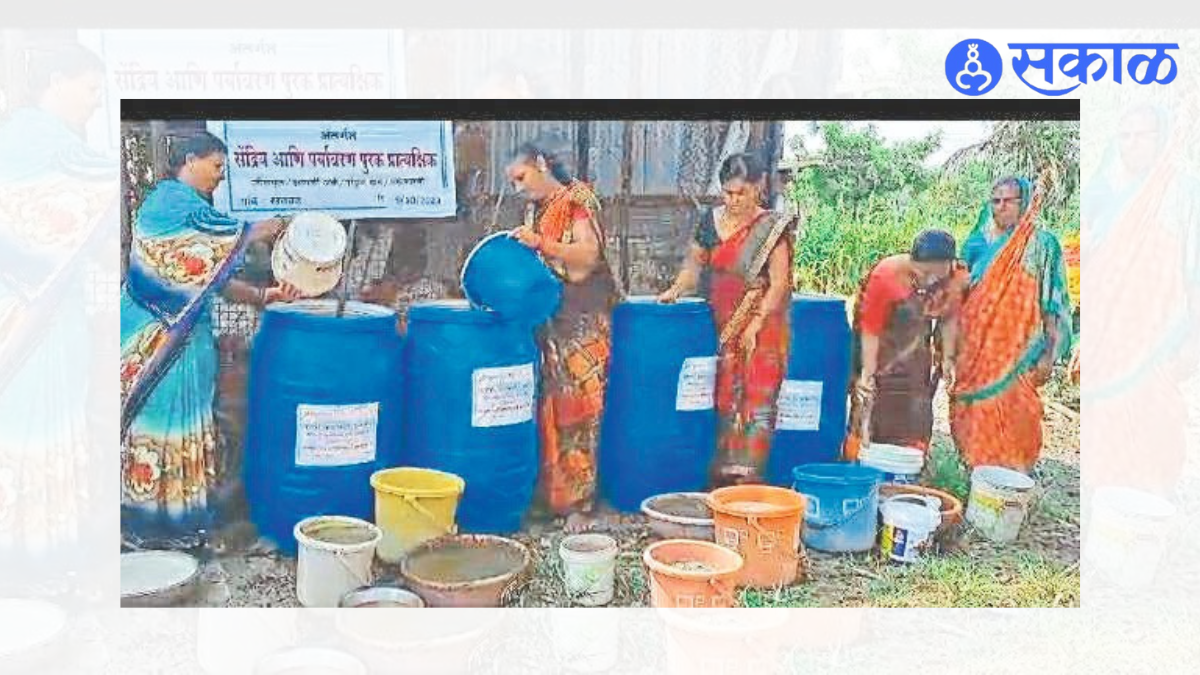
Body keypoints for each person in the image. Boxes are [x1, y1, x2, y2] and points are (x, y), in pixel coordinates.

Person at [120, 131, 300, 549]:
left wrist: (261, 295)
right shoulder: (167, 203)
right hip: (156, 337)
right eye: (217, 166)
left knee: (188, 423)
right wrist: (259, 229)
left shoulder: (198, 210)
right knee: (159, 426)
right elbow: (199, 253)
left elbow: (207, 277)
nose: (221, 177)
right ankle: (143, 530)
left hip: (190, 337)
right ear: (190, 160)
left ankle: (183, 526)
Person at [0, 41, 112, 596]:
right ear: (58, 79)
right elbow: (88, 223)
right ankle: (38, 560)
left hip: (26, 313)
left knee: (28, 427)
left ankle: (25, 555)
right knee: (39, 424)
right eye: (91, 88)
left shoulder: (19, 142)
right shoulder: (51, 148)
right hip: (38, 313)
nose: (95, 103)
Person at [1081, 104, 1199, 496]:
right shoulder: (1107, 200)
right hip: (1107, 345)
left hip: (1155, 344)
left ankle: (1147, 516)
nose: (1133, 145)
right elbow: (1098, 278)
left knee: (1154, 431)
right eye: (1125, 136)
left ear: (1161, 139)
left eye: (1143, 135)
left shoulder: (1183, 193)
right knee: (1105, 437)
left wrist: (1189, 344)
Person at [659, 152, 795, 487]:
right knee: (722, 396)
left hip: (762, 326)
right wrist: (675, 290)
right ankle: (720, 482)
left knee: (756, 402)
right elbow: (694, 264)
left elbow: (779, 283)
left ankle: (747, 482)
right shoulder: (710, 221)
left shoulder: (771, 227)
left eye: (741, 193)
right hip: (721, 323)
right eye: (728, 193)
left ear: (758, 188)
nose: (733, 201)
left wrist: (755, 323)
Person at [508, 142, 621, 531]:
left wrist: (539, 243)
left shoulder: (577, 201)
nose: (518, 188)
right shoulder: (537, 211)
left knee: (581, 411)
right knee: (552, 411)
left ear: (541, 165)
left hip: (585, 322)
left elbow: (586, 256)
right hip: (554, 322)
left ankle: (579, 504)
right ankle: (553, 498)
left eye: (521, 177)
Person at [950, 176, 1074, 473]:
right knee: (974, 416)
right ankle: (975, 476)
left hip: (1019, 356)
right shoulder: (976, 245)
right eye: (996, 201)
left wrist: (1049, 356)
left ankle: (1012, 480)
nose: (1001, 207)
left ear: (1025, 203)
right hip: (975, 355)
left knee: (1017, 417)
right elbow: (956, 297)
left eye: (1009, 201)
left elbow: (1052, 304)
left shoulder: (1043, 245)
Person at [844, 229, 968, 461]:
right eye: (921, 273)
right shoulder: (886, 276)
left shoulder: (956, 278)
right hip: (878, 344)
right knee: (869, 402)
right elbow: (870, 329)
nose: (928, 280)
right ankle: (860, 460)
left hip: (914, 347)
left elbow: (949, 316)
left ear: (949, 265)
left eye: (935, 274)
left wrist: (949, 358)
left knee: (916, 406)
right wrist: (866, 373)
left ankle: (910, 463)